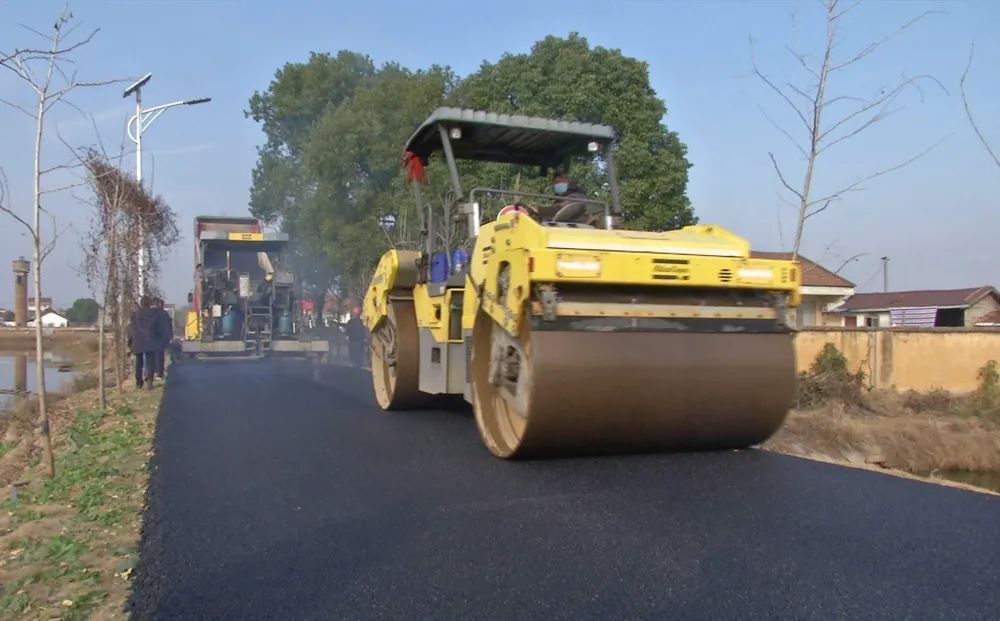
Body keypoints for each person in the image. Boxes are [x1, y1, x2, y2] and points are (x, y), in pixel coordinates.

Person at [129, 295, 161, 389]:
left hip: (138, 341)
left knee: (139, 362)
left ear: (141, 303)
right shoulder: (155, 314)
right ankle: (150, 380)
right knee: (150, 361)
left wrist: (130, 341)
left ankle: (139, 382)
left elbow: (132, 328)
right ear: (150, 303)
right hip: (150, 340)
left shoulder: (135, 314)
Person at [152, 297, 173, 379]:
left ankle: (156, 372)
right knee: (161, 356)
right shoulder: (164, 314)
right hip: (163, 338)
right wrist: (170, 336)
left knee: (155, 355)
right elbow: (168, 326)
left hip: (154, 337)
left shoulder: (152, 313)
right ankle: (160, 372)